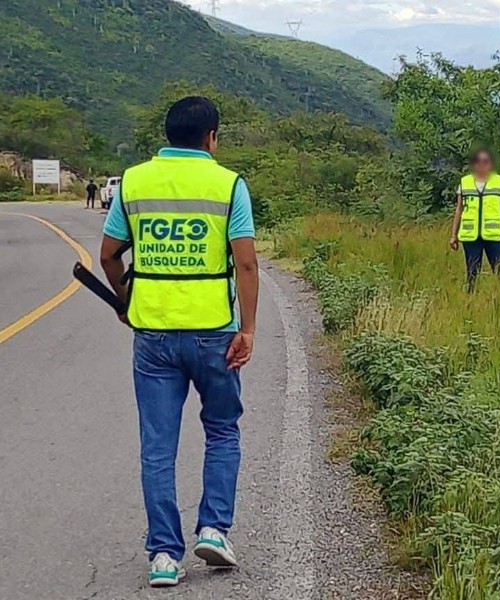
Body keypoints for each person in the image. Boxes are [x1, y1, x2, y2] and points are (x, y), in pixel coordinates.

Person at [100, 96, 260, 587]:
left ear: (167, 134)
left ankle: (164, 557)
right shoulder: (228, 184)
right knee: (222, 430)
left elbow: (109, 256)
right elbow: (247, 264)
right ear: (212, 137)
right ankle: (213, 528)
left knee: (157, 446)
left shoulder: (134, 181)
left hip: (153, 336)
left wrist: (127, 300)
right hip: (214, 332)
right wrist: (247, 329)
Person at [449, 148, 500, 292]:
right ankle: (471, 300)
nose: (481, 165)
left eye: (485, 162)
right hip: (471, 236)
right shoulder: (465, 182)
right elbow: (459, 209)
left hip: (494, 236)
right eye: (478, 162)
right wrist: (453, 235)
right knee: (472, 272)